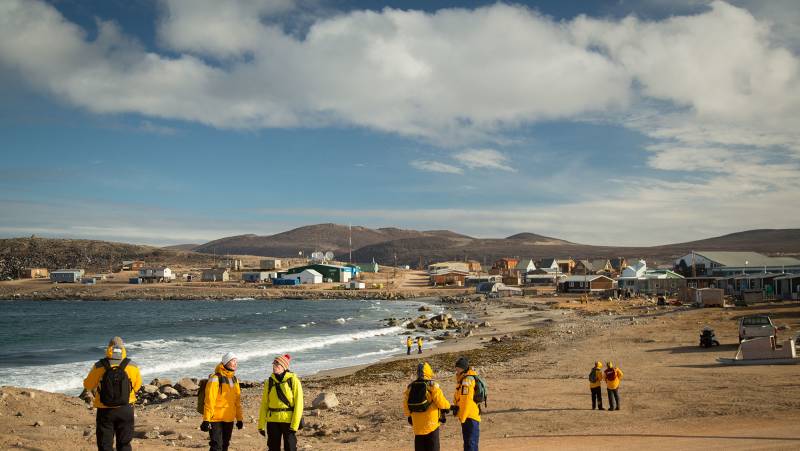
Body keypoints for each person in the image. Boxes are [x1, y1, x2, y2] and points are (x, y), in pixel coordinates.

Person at [83, 336, 142, 451]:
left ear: (109, 348)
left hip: (105, 409)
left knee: (105, 445)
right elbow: (137, 385)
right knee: (124, 444)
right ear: (123, 348)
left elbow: (88, 385)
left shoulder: (99, 365)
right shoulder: (132, 365)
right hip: (126, 407)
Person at [258, 354, 304, 451]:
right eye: (274, 364)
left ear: (284, 367)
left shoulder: (294, 381)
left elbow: (299, 405)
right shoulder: (269, 382)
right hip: (272, 421)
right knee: (273, 448)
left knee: (290, 448)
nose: (274, 367)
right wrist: (261, 425)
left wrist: (295, 425)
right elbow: (264, 404)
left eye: (277, 365)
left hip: (289, 421)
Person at [403, 362, 451, 451]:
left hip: (417, 425)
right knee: (433, 447)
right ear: (428, 371)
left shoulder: (410, 387)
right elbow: (441, 403)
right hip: (431, 423)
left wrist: (409, 416)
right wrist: (448, 406)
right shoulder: (432, 385)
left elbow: (405, 406)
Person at [201, 352, 243, 451]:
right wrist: (206, 420)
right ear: (226, 362)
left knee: (225, 446)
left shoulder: (234, 379)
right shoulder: (215, 378)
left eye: (236, 361)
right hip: (215, 419)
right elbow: (209, 401)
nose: (235, 363)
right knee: (216, 446)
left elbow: (237, 402)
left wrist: (239, 419)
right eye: (233, 361)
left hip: (229, 418)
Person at [451, 357, 481, 451]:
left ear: (462, 368)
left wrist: (462, 417)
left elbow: (466, 400)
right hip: (469, 415)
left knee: (470, 444)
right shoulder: (464, 379)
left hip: (469, 416)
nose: (456, 370)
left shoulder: (466, 381)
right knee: (470, 443)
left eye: (457, 368)